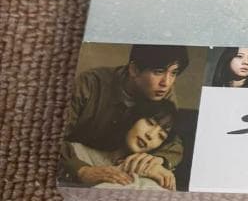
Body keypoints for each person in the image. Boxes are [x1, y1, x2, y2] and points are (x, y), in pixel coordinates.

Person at [61, 44, 189, 186]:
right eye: (158, 72)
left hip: (122, 168)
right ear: (134, 69)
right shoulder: (90, 84)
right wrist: (82, 170)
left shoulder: (163, 93)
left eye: (173, 73)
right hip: (76, 160)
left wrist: (158, 160)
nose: (167, 83)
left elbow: (173, 141)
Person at [66, 102, 179, 190]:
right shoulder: (76, 151)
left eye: (161, 136)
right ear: (134, 118)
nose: (150, 135)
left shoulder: (156, 174)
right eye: (150, 123)